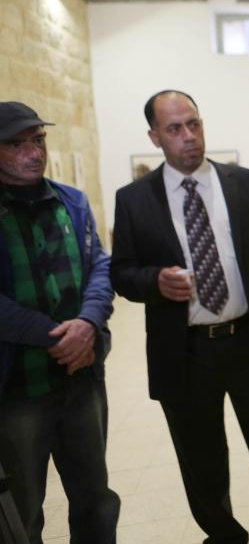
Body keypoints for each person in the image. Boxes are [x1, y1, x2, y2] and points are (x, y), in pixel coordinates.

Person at [109, 90, 249, 544]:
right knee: (202, 463)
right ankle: (224, 537)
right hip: (185, 352)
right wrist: (155, 281)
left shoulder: (247, 184)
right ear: (154, 137)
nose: (189, 136)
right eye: (175, 129)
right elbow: (121, 273)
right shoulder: (134, 199)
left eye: (194, 124)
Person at [0, 101, 120, 542]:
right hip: (18, 391)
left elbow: (100, 266)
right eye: (15, 144)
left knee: (95, 501)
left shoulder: (72, 202)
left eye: (38, 140)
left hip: (81, 379)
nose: (33, 153)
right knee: (23, 511)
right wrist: (54, 336)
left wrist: (87, 323)